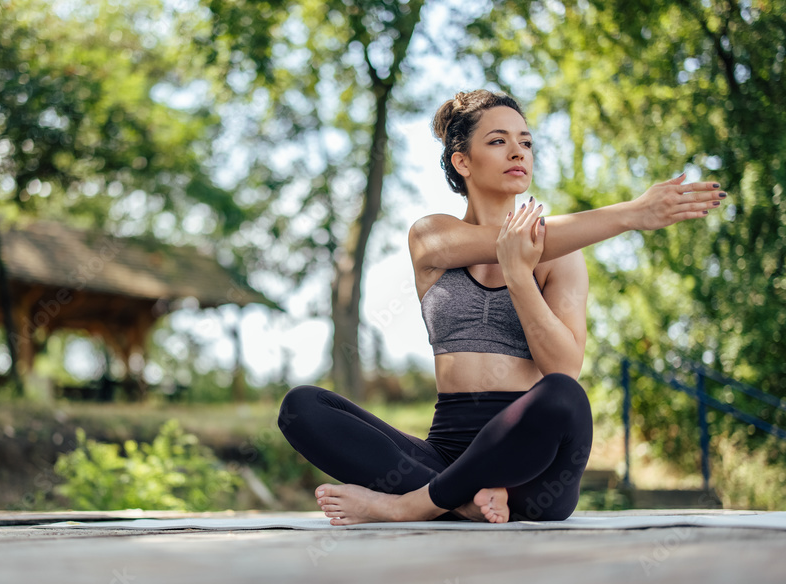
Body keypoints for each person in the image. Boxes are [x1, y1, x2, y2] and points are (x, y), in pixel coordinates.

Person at [276, 89, 726, 525]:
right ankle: (458, 500)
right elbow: (507, 241)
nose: (519, 152)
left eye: (526, 142)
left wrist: (518, 278)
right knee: (302, 407)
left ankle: (408, 505)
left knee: (565, 396)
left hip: (530, 474)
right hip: (445, 452)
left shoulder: (564, 257)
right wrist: (631, 214)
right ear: (462, 162)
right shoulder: (431, 235)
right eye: (498, 141)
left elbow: (563, 368)